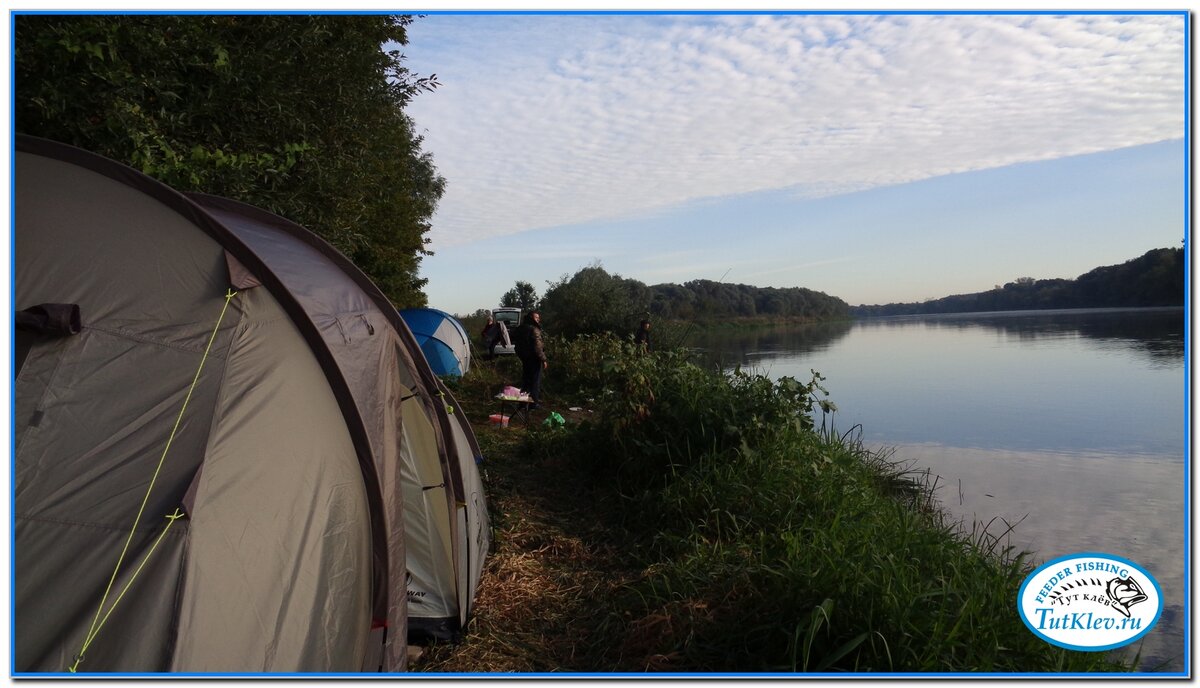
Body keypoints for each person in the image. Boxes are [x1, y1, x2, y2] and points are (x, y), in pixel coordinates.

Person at [515, 310, 547, 408]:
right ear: (532, 319)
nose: (539, 320)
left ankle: (523, 402)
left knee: (526, 380)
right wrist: (543, 359)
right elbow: (537, 347)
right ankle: (534, 403)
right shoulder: (534, 329)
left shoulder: (520, 328)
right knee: (535, 381)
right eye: (537, 318)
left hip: (524, 357)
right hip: (534, 358)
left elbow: (513, 339)